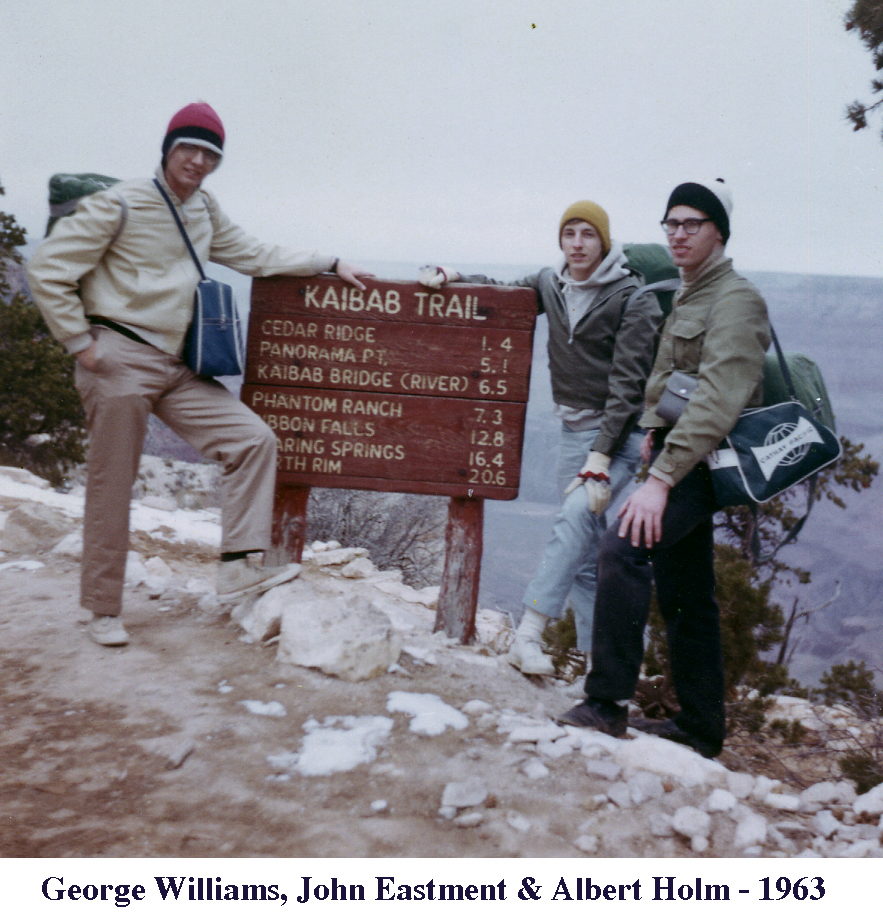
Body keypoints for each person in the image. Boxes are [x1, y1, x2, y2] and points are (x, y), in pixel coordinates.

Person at [27, 102, 373, 647]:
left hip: (178, 365)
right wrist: (80, 343)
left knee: (252, 439)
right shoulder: (119, 203)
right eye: (188, 148)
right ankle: (102, 609)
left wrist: (328, 262)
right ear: (168, 149)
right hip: (118, 357)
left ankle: (238, 566)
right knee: (112, 484)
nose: (198, 160)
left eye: (210, 153)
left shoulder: (204, 209)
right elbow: (47, 266)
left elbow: (254, 252)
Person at [556, 179, 771, 758]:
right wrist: (652, 435)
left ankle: (605, 704)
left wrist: (659, 479)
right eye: (670, 224)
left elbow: (718, 398)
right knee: (686, 590)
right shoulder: (691, 292)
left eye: (691, 224)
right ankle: (701, 728)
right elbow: (668, 384)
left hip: (699, 462)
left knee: (621, 551)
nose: (677, 234)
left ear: (718, 232)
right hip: (676, 455)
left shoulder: (736, 300)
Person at [419, 201, 662, 675]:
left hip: (618, 436)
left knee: (574, 516)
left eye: (587, 235)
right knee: (587, 556)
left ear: (604, 241)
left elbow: (628, 386)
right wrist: (453, 274)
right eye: (569, 233)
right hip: (574, 433)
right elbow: (504, 290)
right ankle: (600, 673)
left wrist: (600, 453)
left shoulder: (633, 298)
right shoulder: (552, 283)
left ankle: (527, 634)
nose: (577, 243)